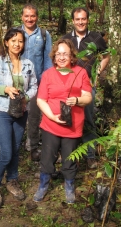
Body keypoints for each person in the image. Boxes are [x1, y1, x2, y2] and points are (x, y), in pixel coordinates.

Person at [0, 28, 37, 207]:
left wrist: (26, 98)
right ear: (6, 42)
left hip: (21, 111)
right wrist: (4, 89)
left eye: (20, 41)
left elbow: (34, 86)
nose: (16, 44)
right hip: (1, 111)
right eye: (13, 41)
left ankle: (12, 180)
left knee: (15, 148)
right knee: (6, 152)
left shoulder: (28, 64)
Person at [33, 39, 92, 204]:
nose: (61, 57)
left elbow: (88, 96)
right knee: (47, 156)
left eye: (65, 53)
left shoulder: (80, 73)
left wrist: (77, 100)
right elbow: (41, 100)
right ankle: (44, 184)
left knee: (70, 157)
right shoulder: (48, 74)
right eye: (58, 54)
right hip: (51, 124)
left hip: (73, 126)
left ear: (72, 55)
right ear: (54, 56)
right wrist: (52, 116)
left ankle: (69, 185)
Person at [63, 7, 110, 169]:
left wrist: (97, 72)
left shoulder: (96, 37)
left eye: (83, 19)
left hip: (87, 86)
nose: (80, 22)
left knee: (88, 119)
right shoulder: (66, 38)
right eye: (77, 19)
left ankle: (90, 155)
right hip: (69, 86)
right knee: (70, 119)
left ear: (88, 20)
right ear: (73, 21)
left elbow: (106, 55)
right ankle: (72, 154)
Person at [20, 3, 53, 161]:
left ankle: (32, 146)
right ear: (22, 17)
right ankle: (11, 146)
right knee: (15, 113)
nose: (29, 19)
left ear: (37, 17)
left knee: (33, 115)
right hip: (17, 81)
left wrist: (46, 81)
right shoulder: (16, 33)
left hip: (36, 82)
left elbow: (48, 59)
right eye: (26, 16)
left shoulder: (44, 35)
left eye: (32, 16)